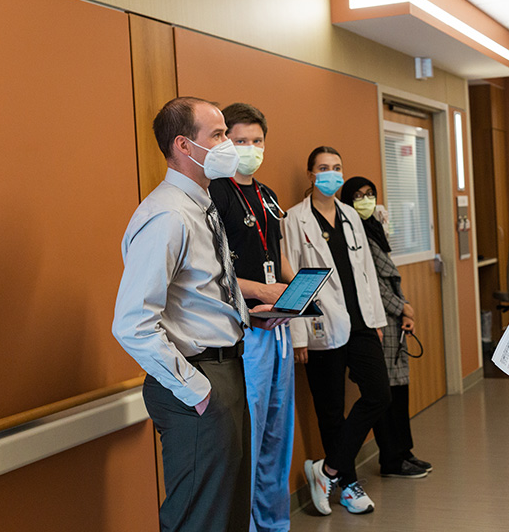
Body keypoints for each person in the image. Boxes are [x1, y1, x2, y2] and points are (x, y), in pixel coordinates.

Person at [112, 97, 285, 532]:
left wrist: (250, 316)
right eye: (220, 135)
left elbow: (200, 293)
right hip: (197, 381)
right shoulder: (167, 215)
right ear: (185, 146)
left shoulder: (201, 206)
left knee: (226, 514)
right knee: (199, 519)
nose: (230, 145)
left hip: (227, 369)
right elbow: (131, 323)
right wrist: (197, 390)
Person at [283, 147, 390, 516]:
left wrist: (376, 321)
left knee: (379, 394)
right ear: (311, 175)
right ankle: (347, 485)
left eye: (337, 168)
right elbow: (292, 278)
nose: (331, 174)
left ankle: (325, 470)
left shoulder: (350, 216)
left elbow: (366, 274)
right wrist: (298, 335)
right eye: (323, 168)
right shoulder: (294, 220)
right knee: (330, 411)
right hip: (320, 325)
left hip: (360, 322)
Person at [210, 103, 296, 532]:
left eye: (256, 141)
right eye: (239, 140)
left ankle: (274, 524)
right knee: (250, 435)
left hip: (278, 327)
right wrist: (262, 291)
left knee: (278, 437)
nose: (249, 148)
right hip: (246, 332)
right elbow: (213, 270)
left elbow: (277, 258)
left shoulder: (268, 195)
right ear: (225, 142)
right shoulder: (215, 193)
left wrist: (300, 287)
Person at [340, 176, 432, 479]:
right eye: (358, 195)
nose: (365, 200)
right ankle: (391, 459)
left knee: (400, 390)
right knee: (386, 394)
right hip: (379, 320)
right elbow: (372, 284)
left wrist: (404, 308)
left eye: (370, 194)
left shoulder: (375, 228)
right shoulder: (353, 232)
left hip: (395, 319)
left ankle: (404, 452)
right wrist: (401, 306)